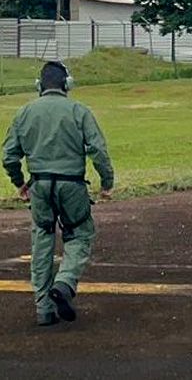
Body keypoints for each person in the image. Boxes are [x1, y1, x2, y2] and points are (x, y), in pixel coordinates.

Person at [2, 61, 113, 326]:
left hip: (39, 184)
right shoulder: (79, 111)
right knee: (80, 235)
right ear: (68, 84)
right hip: (72, 184)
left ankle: (44, 309)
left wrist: (20, 183)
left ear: (39, 86)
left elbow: (9, 156)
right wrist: (107, 181)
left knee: (42, 239)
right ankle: (64, 284)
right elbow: (98, 150)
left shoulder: (24, 113)